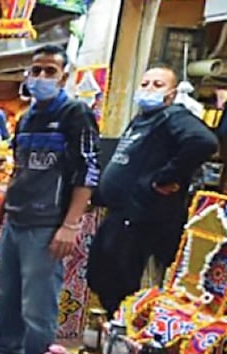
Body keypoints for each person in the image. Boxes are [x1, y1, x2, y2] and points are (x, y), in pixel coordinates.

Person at [0, 45, 99, 354]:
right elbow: (18, 169)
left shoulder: (76, 114)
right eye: (36, 70)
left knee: (37, 306)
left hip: (47, 223)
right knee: (7, 295)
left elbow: (88, 172)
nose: (40, 78)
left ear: (65, 76)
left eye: (49, 71)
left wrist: (71, 224)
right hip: (16, 218)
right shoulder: (25, 118)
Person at [88, 65, 218, 315]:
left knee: (123, 286)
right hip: (118, 213)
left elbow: (204, 142)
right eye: (145, 83)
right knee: (100, 275)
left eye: (158, 85)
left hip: (140, 217)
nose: (149, 89)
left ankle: (123, 338)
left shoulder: (173, 116)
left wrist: (164, 177)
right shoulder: (143, 120)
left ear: (171, 94)